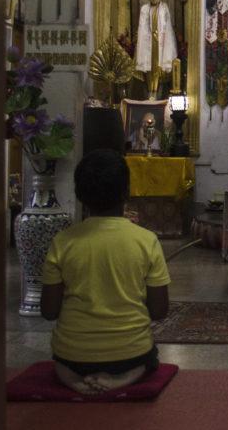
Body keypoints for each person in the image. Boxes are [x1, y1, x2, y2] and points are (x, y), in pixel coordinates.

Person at [40, 149, 171, 395]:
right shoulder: (147, 241)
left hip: (73, 355)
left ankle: (71, 378)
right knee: (149, 357)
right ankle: (127, 375)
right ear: (126, 192)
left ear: (79, 195)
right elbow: (159, 311)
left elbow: (48, 311)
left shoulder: (62, 242)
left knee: (60, 362)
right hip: (130, 353)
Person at [135, 0, 178, 99]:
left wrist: (167, 42)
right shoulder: (145, 8)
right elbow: (142, 27)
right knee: (149, 67)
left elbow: (167, 27)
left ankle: (157, 92)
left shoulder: (164, 8)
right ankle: (150, 92)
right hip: (148, 42)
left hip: (161, 42)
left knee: (158, 67)